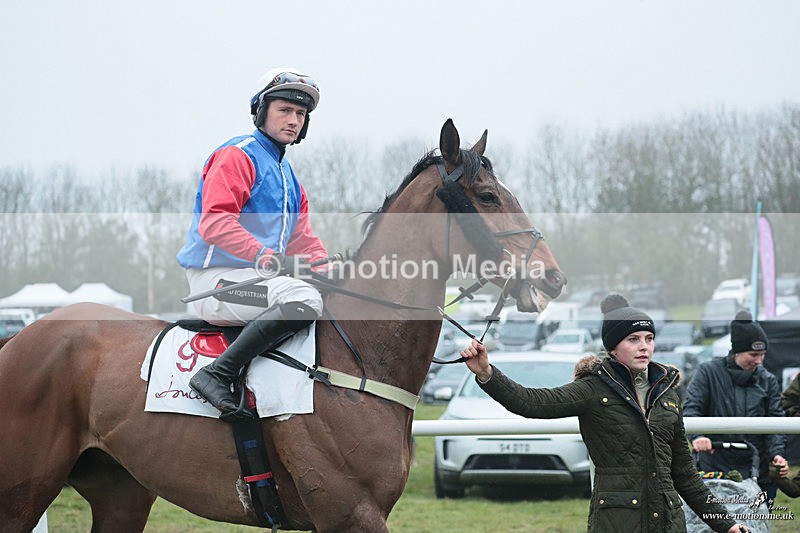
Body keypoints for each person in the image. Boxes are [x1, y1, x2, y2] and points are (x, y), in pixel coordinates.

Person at [459, 293, 747, 533]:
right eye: (633, 339)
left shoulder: (667, 395)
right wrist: (486, 373)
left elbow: (684, 473)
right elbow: (531, 402)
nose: (644, 346)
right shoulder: (592, 389)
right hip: (616, 522)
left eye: (649, 338)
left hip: (669, 523)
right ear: (613, 347)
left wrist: (727, 524)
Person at [176, 67, 329, 417]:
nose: (294, 120)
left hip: (255, 280)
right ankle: (217, 373)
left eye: (300, 114)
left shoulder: (291, 179)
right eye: (285, 110)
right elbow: (215, 223)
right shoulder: (238, 155)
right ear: (261, 112)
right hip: (216, 285)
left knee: (330, 292)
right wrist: (268, 257)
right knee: (303, 299)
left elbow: (304, 241)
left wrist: (333, 269)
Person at [683, 311, 789, 501]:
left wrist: (777, 454)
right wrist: (698, 436)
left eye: (763, 355)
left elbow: (776, 421)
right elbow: (692, 409)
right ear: (737, 351)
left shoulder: (768, 380)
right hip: (715, 469)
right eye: (754, 354)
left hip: (758, 470)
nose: (759, 361)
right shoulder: (707, 373)